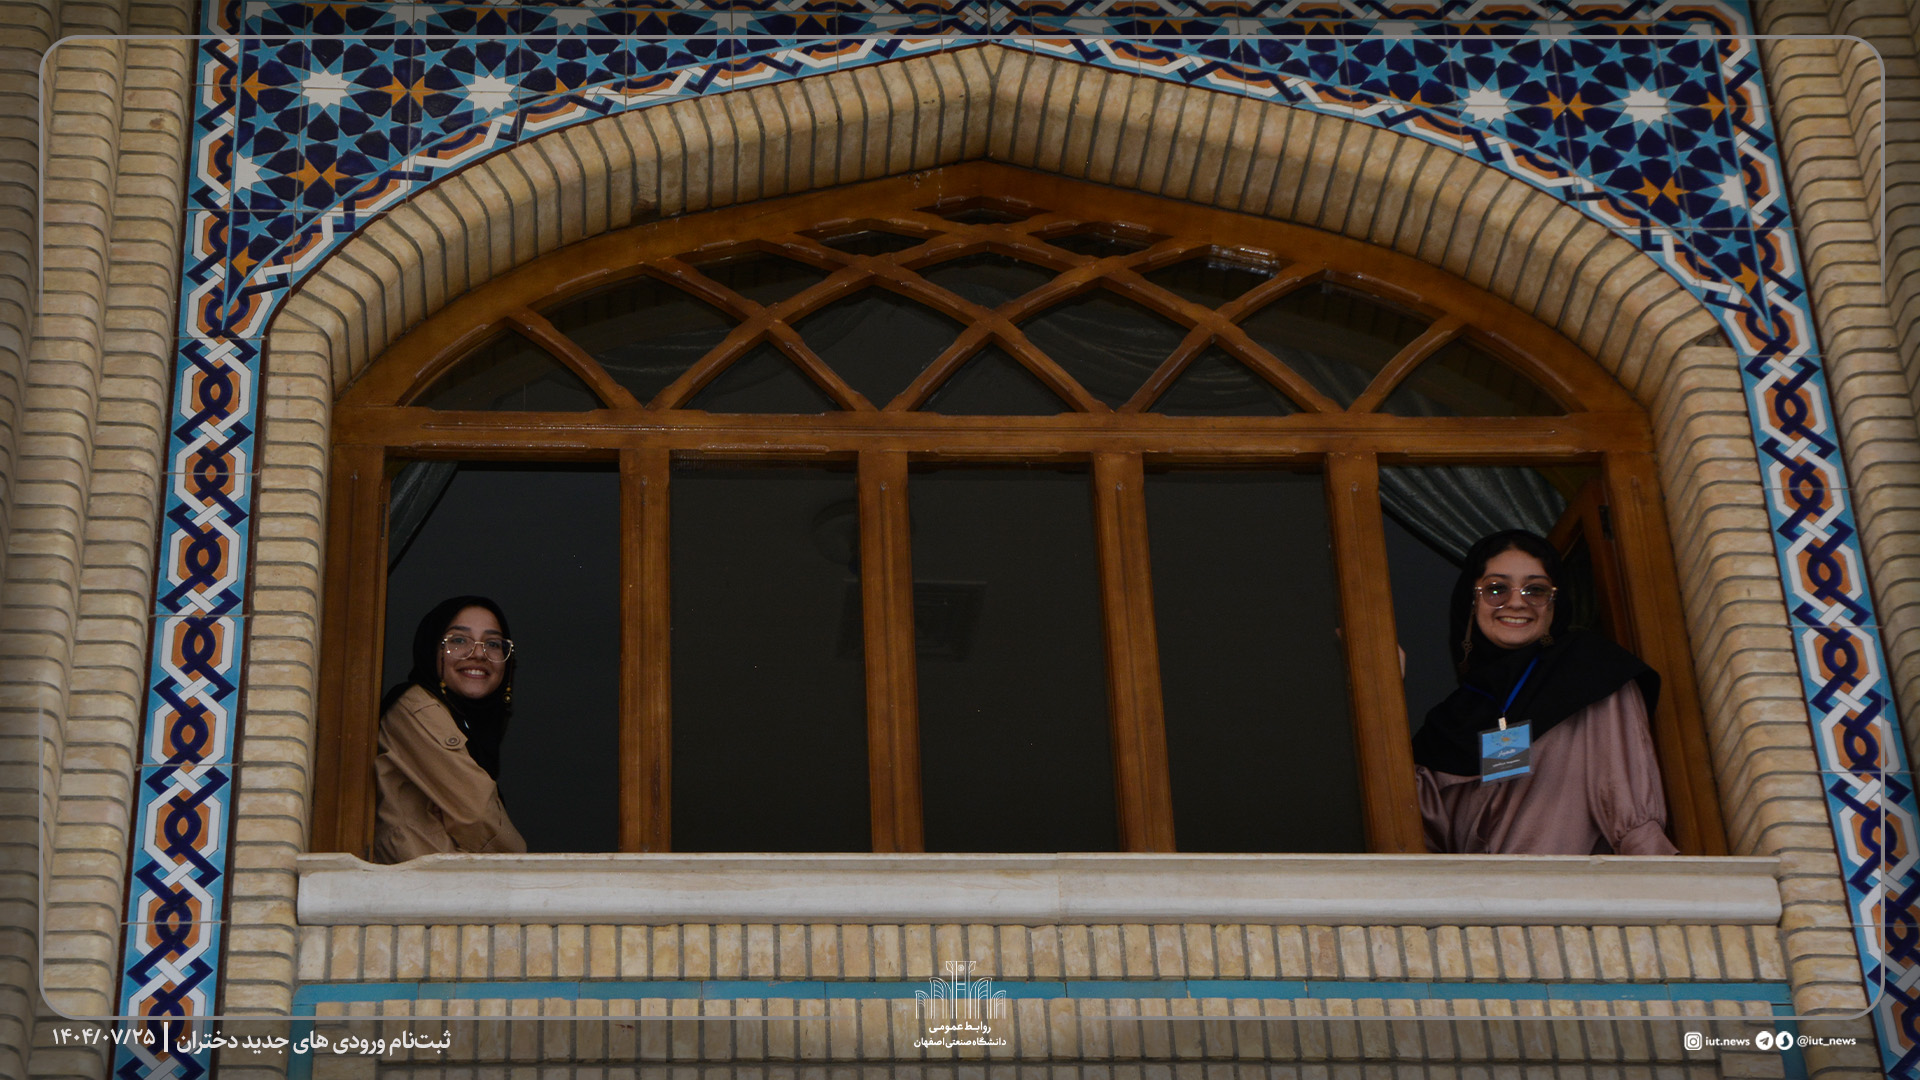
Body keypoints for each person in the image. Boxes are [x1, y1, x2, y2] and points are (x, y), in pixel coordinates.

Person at [1412, 531, 1677, 855]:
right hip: (1476, 887)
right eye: (1496, 589)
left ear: (1554, 606)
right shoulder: (1445, 724)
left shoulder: (1589, 671)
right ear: (1471, 602)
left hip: (1571, 885)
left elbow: (1633, 819)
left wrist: (1655, 872)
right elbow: (1418, 841)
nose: (1516, 602)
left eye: (1535, 590)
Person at [373, 595, 528, 862]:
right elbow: (478, 815)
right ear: (432, 649)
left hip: (449, 883)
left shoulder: (471, 727)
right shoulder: (415, 707)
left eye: (493, 644)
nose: (478, 653)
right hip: (421, 885)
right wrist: (525, 863)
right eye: (458, 640)